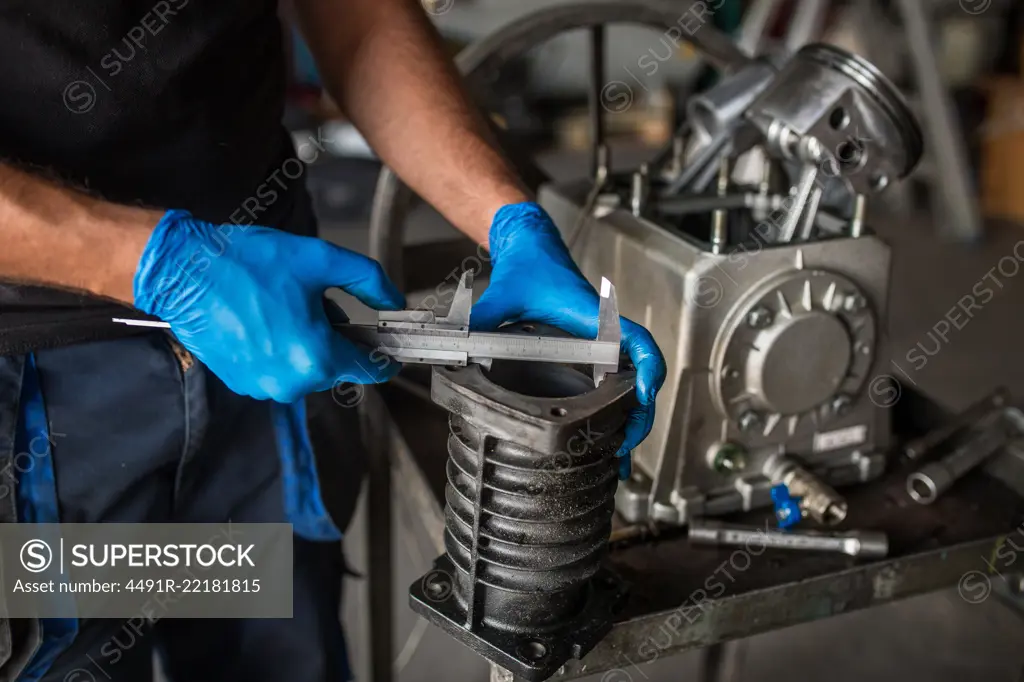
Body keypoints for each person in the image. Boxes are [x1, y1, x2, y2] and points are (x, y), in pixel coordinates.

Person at [0, 1, 666, 680]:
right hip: (48, 401)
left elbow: (357, 15)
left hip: (274, 350)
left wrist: (508, 219)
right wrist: (161, 263)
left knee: (273, 648)